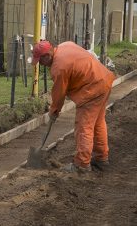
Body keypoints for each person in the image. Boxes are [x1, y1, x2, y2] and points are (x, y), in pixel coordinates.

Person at [33, 40, 115, 174]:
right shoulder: (66, 45)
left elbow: (59, 93)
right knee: (98, 123)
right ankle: (101, 158)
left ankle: (82, 165)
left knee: (84, 127)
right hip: (103, 81)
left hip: (91, 91)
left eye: (40, 61)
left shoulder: (59, 68)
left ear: (47, 55)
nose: (40, 64)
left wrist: (54, 111)